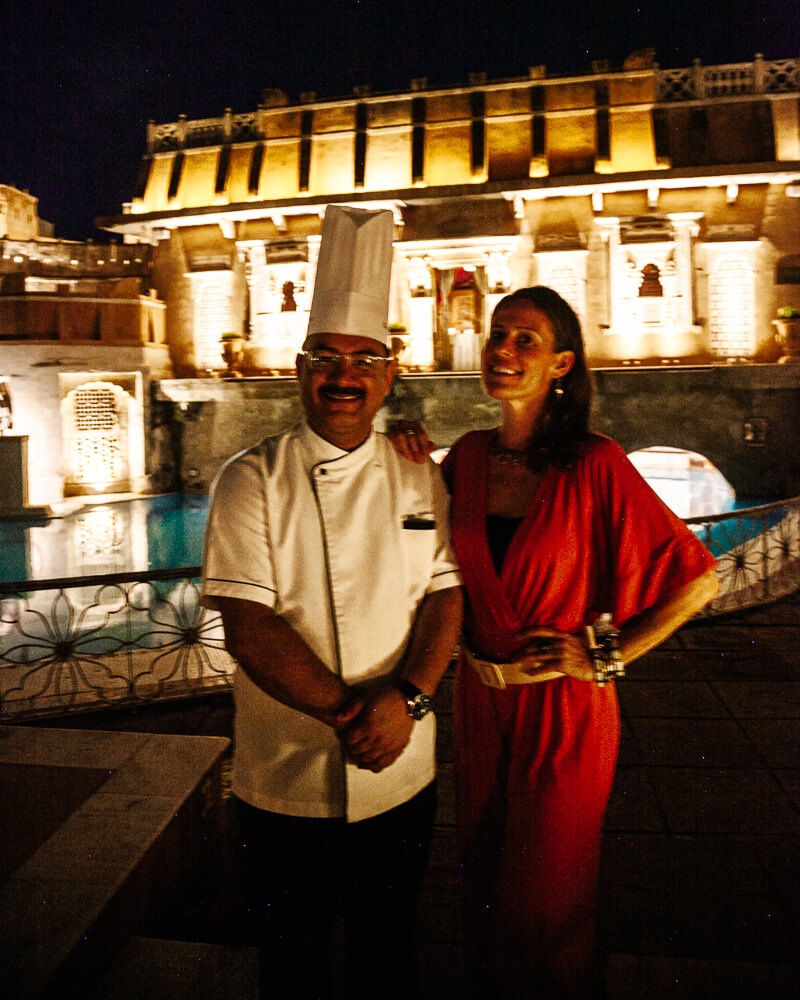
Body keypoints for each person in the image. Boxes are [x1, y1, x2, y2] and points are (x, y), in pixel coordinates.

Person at [390, 286, 719, 999]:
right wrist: (400, 460)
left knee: (544, 906)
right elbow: (418, 546)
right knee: (482, 884)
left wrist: (608, 656)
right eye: (497, 336)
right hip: (480, 703)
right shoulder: (467, 460)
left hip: (564, 710)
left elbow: (698, 580)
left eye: (525, 341)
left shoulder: (593, 463)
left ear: (562, 363)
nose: (503, 352)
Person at [201, 206, 463, 1000]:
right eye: (325, 357)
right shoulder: (251, 478)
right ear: (298, 367)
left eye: (364, 359)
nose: (343, 376)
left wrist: (409, 699)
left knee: (390, 951)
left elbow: (444, 594)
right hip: (287, 777)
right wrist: (361, 714)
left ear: (389, 374)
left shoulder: (421, 469)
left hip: (403, 772)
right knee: (293, 962)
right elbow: (249, 625)